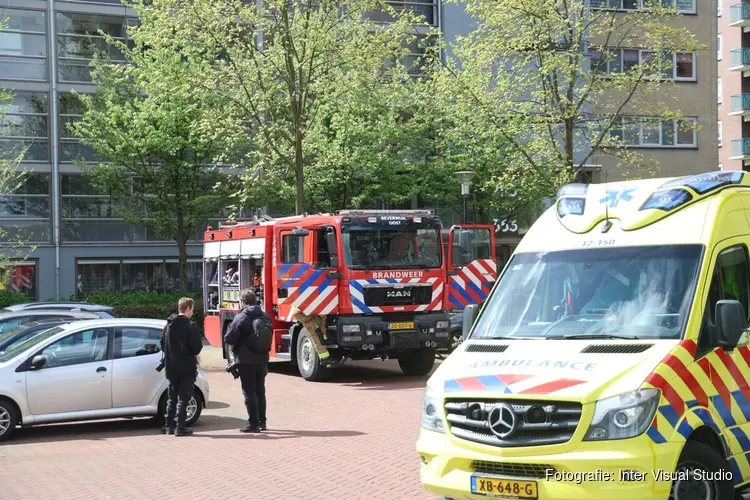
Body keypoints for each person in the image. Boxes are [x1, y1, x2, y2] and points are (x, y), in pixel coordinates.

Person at [224, 289, 270, 433]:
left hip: (245, 360)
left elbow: (229, 338)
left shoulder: (241, 317)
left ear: (243, 302)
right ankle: (262, 422)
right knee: (260, 391)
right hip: (262, 359)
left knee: (249, 392)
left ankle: (253, 424)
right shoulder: (265, 316)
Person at [160, 297, 203, 436]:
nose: (192, 312)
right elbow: (196, 347)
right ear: (188, 309)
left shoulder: (168, 325)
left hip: (171, 367)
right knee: (183, 398)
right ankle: (180, 426)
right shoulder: (191, 326)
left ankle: (168, 426)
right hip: (187, 368)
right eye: (192, 310)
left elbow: (162, 345)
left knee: (171, 397)